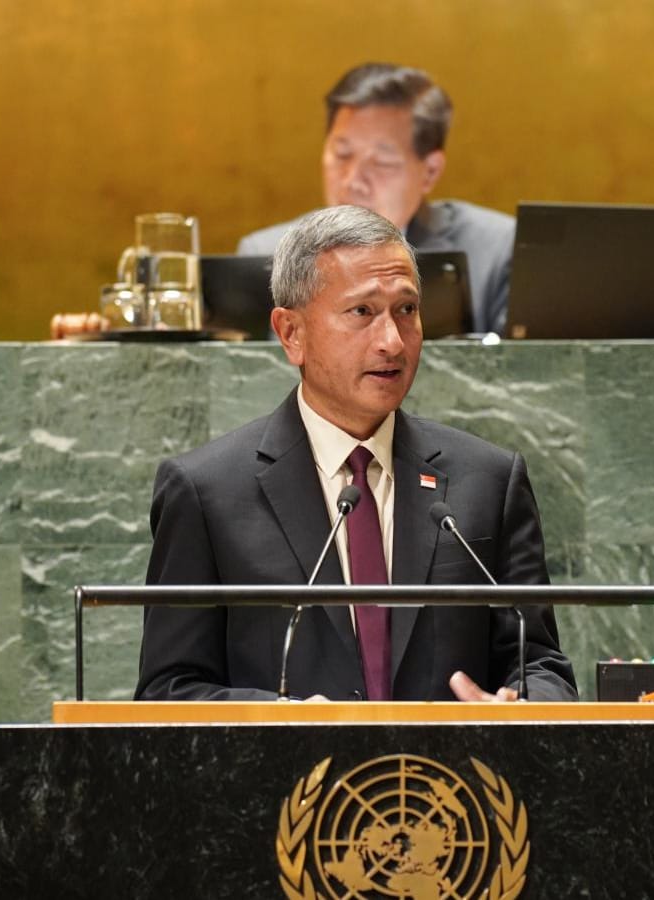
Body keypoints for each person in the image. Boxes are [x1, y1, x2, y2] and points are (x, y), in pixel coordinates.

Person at [135, 205, 575, 702]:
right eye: (362, 312)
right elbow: (168, 692)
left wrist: (517, 709)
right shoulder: (206, 492)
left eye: (406, 310)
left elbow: (541, 667)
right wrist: (283, 720)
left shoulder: (488, 481)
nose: (393, 342)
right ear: (291, 333)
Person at [237, 63, 516, 336]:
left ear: (430, 171)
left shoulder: (496, 249)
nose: (352, 180)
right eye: (342, 154)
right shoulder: (264, 255)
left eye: (382, 162)